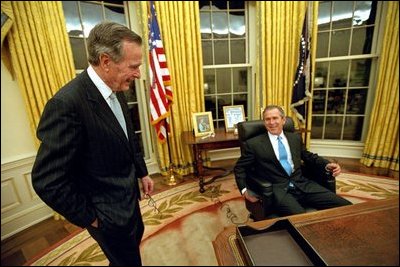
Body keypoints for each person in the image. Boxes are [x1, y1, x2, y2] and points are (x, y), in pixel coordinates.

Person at [31, 21, 154, 266]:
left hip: (128, 200)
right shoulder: (66, 105)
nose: (139, 74)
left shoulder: (116, 86)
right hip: (106, 213)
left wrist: (142, 172)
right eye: (134, 66)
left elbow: (126, 135)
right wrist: (91, 217)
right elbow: (46, 180)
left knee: (130, 248)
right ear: (106, 61)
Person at [234, 105, 351, 216]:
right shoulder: (253, 144)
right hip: (278, 190)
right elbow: (240, 167)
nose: (271, 122)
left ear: (283, 120)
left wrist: (327, 164)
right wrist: (244, 190)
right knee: (301, 219)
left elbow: (308, 156)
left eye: (275, 118)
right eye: (267, 119)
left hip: (302, 184)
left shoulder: (294, 138)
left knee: (346, 206)